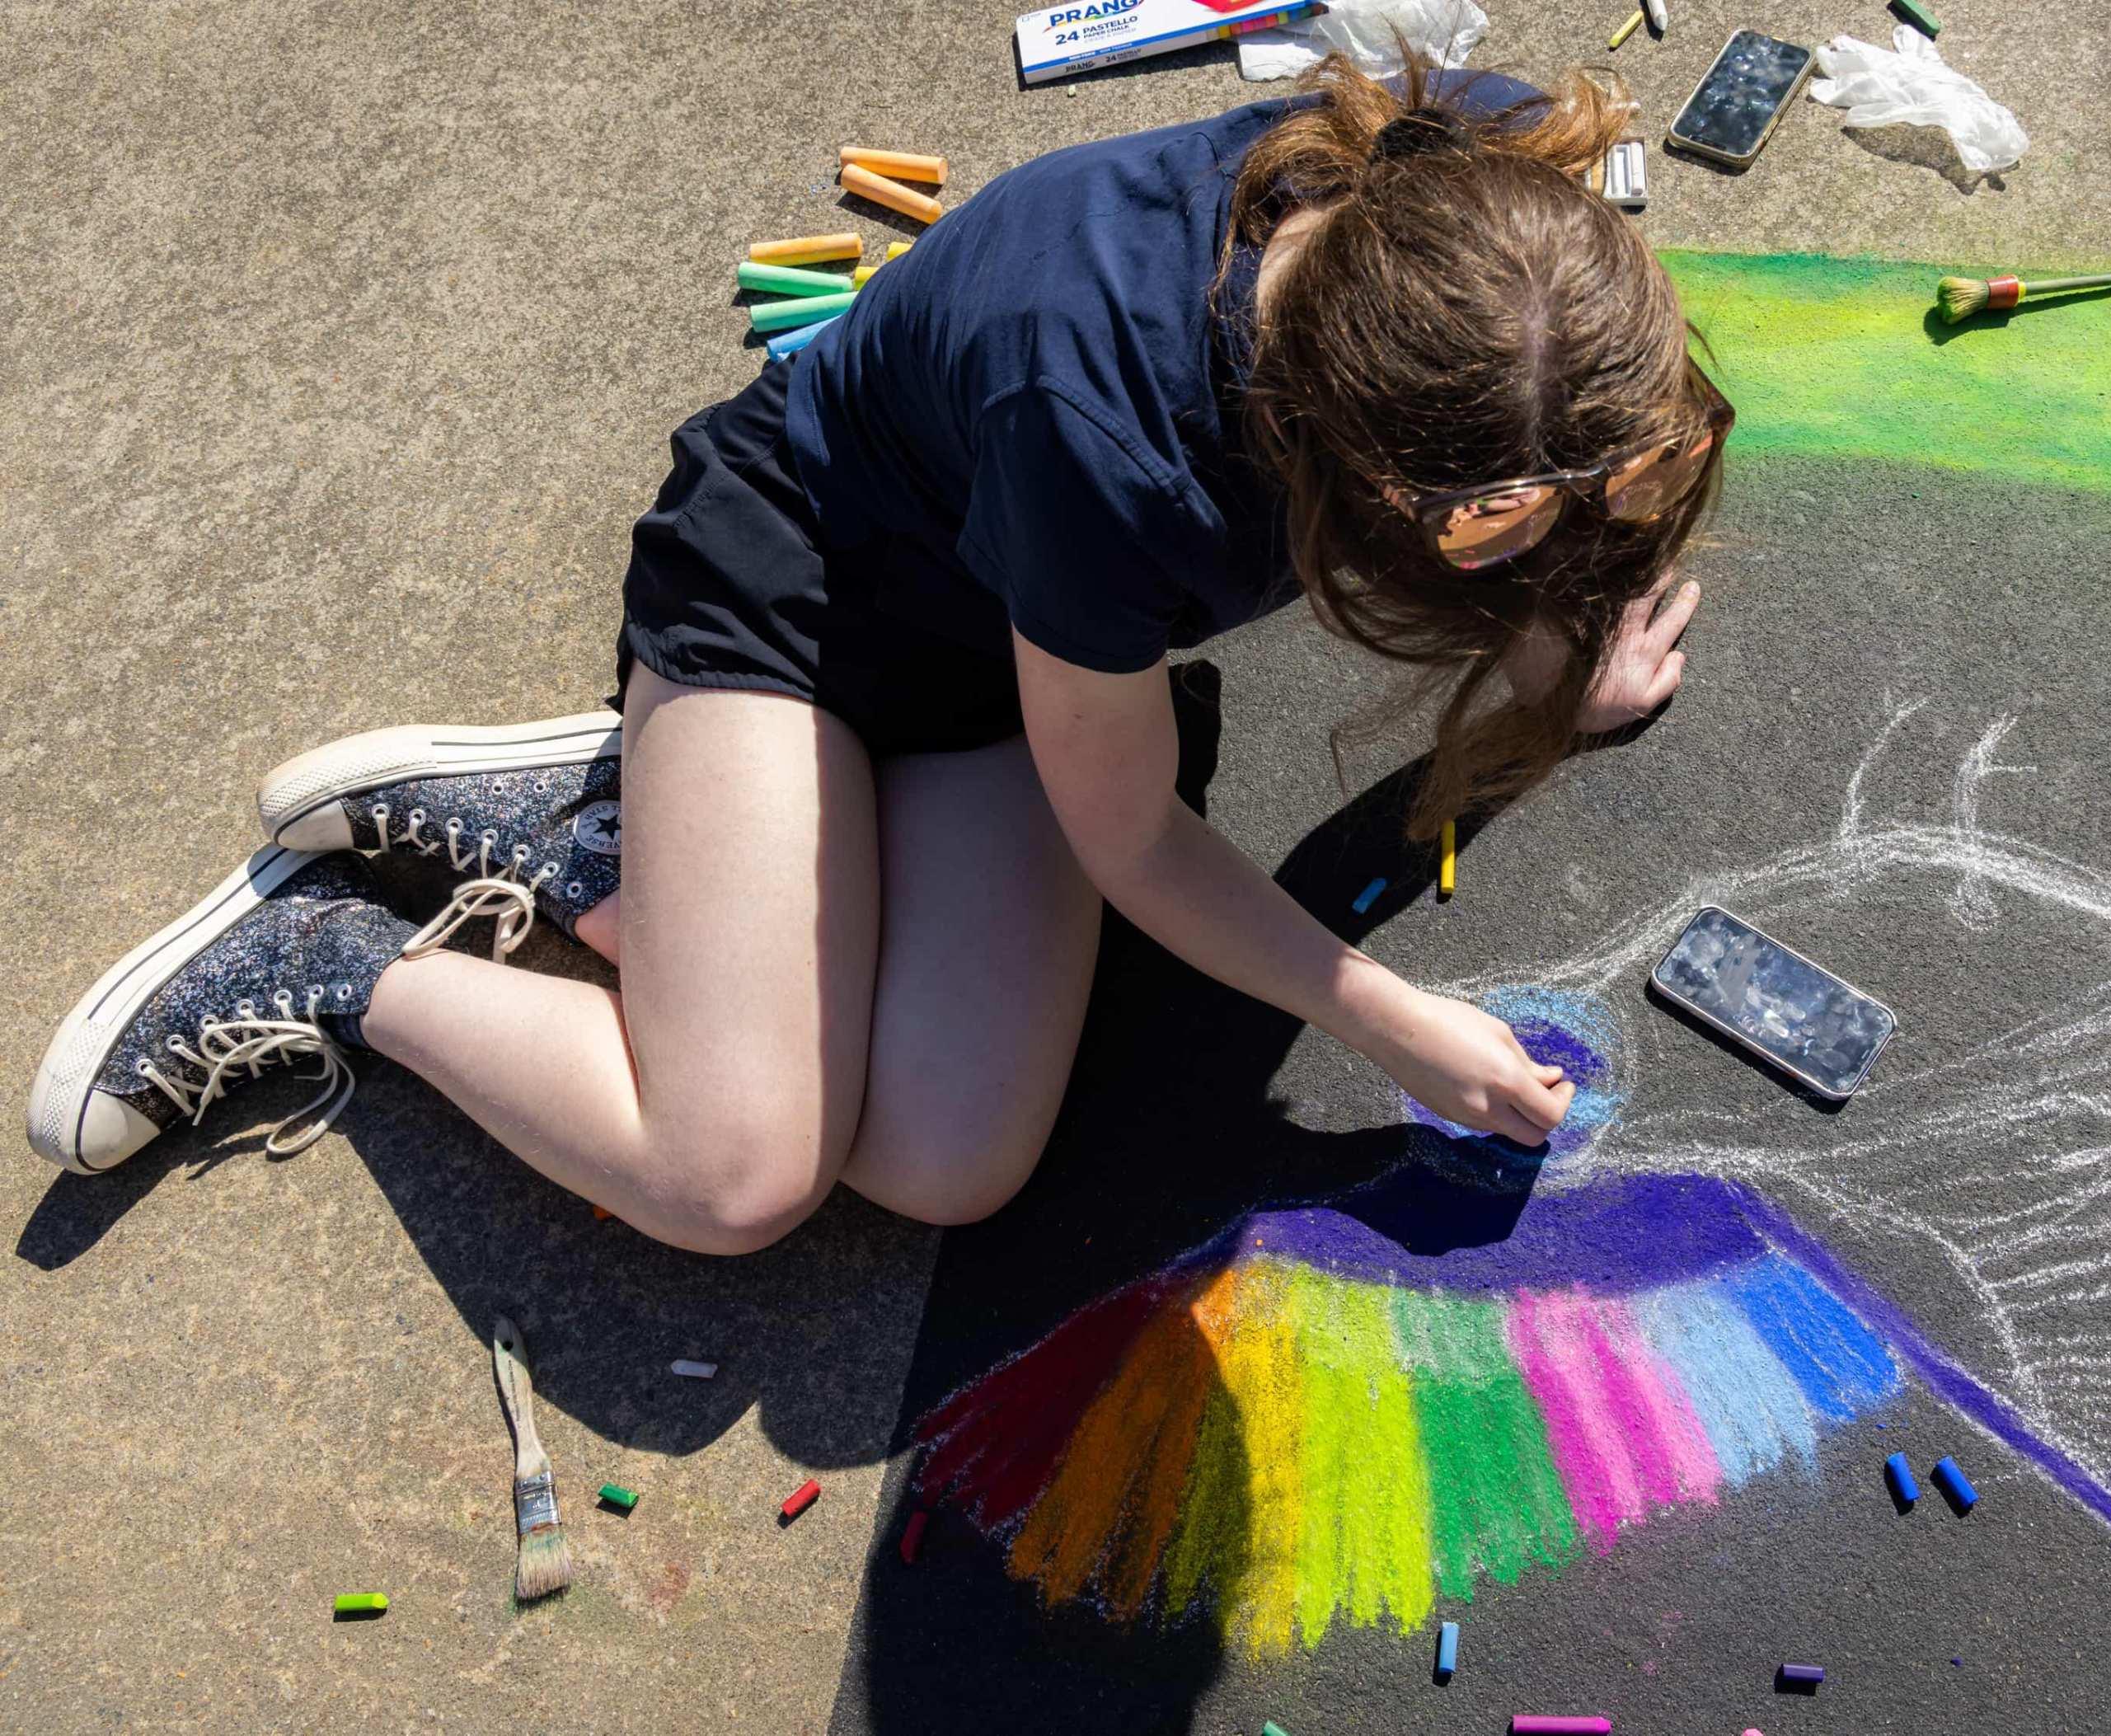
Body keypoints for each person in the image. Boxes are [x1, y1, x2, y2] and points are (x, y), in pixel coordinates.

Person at [27, 52, 1730, 1253]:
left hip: (1016, 656)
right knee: (729, 1178)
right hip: (804, 598)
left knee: (938, 1162)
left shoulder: (1482, 220)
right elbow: (1130, 835)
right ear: (1336, 463)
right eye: (1483, 556)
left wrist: (1558, 646)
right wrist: (1394, 1024)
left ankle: (596, 840)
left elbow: (1552, 441)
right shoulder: (1102, 440)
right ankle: (335, 958)